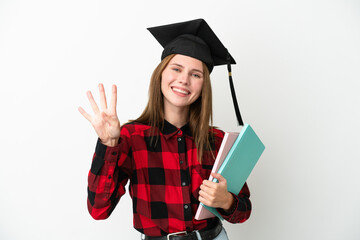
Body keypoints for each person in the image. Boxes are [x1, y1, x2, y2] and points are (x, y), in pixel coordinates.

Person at [78, 19, 252, 240]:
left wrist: (226, 201)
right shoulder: (131, 137)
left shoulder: (218, 141)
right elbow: (98, 210)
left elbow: (244, 210)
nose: (184, 80)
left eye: (195, 74)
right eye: (177, 69)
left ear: (203, 85)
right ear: (161, 74)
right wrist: (109, 145)